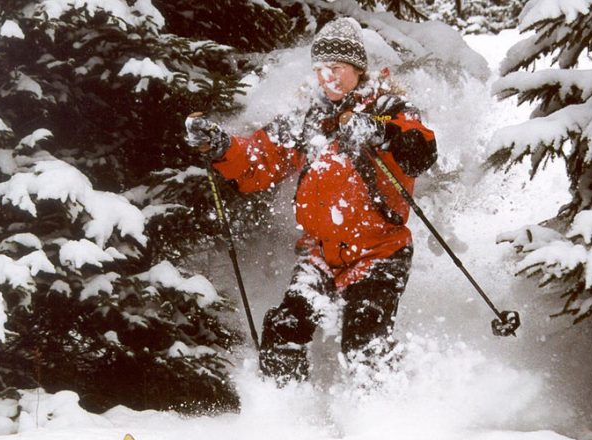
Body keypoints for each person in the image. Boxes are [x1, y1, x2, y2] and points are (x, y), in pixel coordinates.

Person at [186, 17, 437, 385]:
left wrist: (380, 131)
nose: (326, 77)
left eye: (335, 68)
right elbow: (259, 160)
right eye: (319, 68)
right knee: (283, 329)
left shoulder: (388, 106)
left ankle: (387, 419)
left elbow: (421, 150)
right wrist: (222, 145)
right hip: (320, 255)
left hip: (379, 253)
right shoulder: (309, 117)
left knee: (363, 344)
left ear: (356, 68)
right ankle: (288, 418)